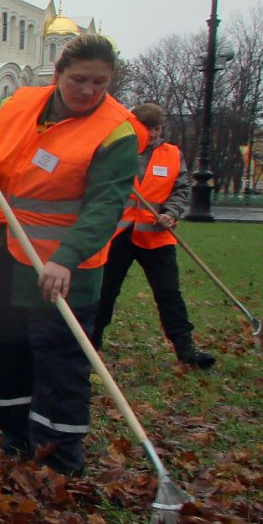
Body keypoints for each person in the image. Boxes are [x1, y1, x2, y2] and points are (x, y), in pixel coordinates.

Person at [0, 34, 139, 476]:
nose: (89, 92)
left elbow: (105, 206)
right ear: (58, 74)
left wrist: (67, 257)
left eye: (100, 82)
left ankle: (59, 457)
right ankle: (15, 439)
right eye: (79, 80)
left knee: (61, 362)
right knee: (8, 350)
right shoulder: (18, 104)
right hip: (7, 257)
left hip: (64, 270)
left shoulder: (117, 131)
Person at [92, 102, 214, 368]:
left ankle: (185, 349)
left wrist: (171, 212)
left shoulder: (172, 154)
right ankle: (92, 343)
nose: (154, 133)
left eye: (157, 128)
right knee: (105, 291)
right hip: (119, 234)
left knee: (169, 292)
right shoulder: (118, 152)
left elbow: (181, 189)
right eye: (148, 128)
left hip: (157, 236)